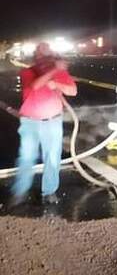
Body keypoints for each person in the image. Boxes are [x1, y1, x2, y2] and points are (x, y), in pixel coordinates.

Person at [11, 42, 77, 205]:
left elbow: (72, 91)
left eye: (47, 54)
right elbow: (36, 85)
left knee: (52, 158)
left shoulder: (59, 73)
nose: (44, 58)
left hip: (53, 121)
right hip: (30, 122)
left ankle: (49, 191)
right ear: (36, 57)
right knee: (27, 157)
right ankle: (20, 192)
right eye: (41, 54)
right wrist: (55, 71)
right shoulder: (28, 72)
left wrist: (57, 82)